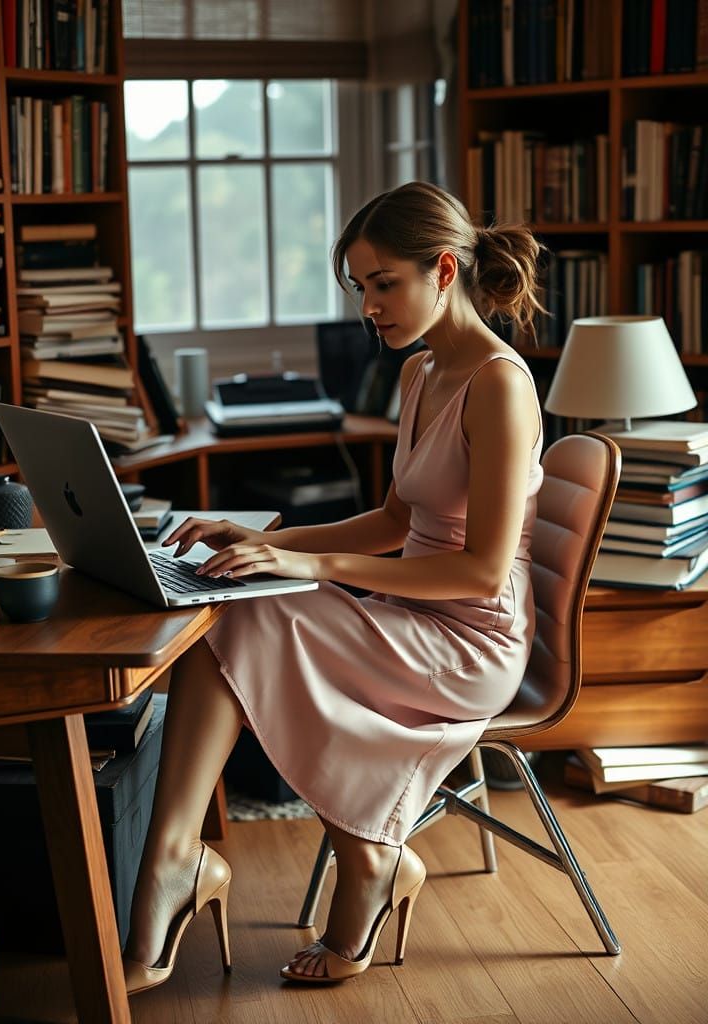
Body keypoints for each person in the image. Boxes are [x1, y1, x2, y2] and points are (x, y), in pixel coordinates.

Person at [122, 181, 545, 992]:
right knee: (233, 597)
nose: (369, 308)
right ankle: (209, 859)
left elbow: (483, 569)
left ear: (445, 271)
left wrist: (306, 567)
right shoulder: (422, 373)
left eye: (384, 284)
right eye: (361, 288)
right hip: (412, 614)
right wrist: (268, 541)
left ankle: (224, 863)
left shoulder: (499, 382)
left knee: (251, 617)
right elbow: (392, 520)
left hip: (473, 638)